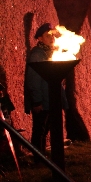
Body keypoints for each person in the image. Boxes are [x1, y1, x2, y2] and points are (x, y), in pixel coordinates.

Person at [24, 23, 68, 154]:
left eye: (52, 35)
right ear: (40, 38)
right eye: (47, 35)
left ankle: (42, 156)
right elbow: (33, 80)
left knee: (46, 129)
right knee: (39, 130)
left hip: (50, 99)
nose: (52, 38)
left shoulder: (50, 52)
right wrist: (37, 101)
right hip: (42, 101)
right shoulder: (37, 55)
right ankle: (38, 158)